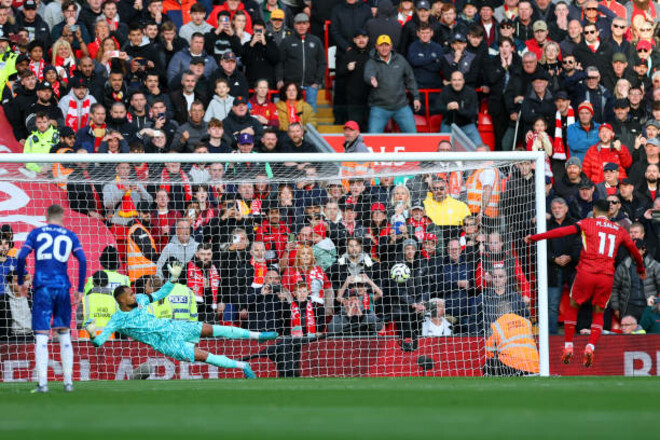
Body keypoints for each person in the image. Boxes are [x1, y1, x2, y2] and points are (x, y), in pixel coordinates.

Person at [85, 262, 278, 379]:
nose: (134, 296)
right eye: (129, 295)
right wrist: (93, 333)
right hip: (166, 343)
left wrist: (173, 278)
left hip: (174, 326)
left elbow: (162, 292)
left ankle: (259, 336)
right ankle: (243, 366)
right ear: (121, 300)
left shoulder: (142, 299)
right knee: (203, 355)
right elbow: (99, 342)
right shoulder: (117, 320)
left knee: (214, 329)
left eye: (132, 292)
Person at [525, 199, 646, 368]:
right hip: (606, 276)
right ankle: (590, 346)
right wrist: (640, 268)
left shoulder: (586, 223)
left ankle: (568, 345)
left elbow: (561, 232)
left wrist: (535, 238)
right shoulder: (619, 230)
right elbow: (634, 250)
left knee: (573, 306)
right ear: (609, 213)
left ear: (595, 211)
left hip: (586, 272)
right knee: (598, 311)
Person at [16, 204, 87, 393]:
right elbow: (83, 260)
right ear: (62, 216)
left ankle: (43, 384)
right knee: (64, 332)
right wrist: (79, 289)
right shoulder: (69, 235)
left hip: (42, 288)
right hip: (63, 287)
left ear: (46, 215)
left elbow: (21, 256)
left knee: (41, 334)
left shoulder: (36, 233)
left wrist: (22, 279)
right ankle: (68, 382)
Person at [363, 34, 421, 133]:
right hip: (379, 107)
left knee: (413, 137)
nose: (384, 48)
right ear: (376, 46)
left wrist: (416, 98)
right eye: (381, 45)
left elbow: (410, 79)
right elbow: (368, 73)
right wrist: (371, 79)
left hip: (401, 106)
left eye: (386, 45)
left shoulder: (400, 60)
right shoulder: (371, 62)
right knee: (373, 138)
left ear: (391, 46)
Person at [483, 311, 540, 376]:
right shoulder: (526, 321)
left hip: (512, 364)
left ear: (496, 314)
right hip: (534, 364)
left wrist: (496, 356)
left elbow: (489, 349)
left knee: (488, 366)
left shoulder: (495, 325)